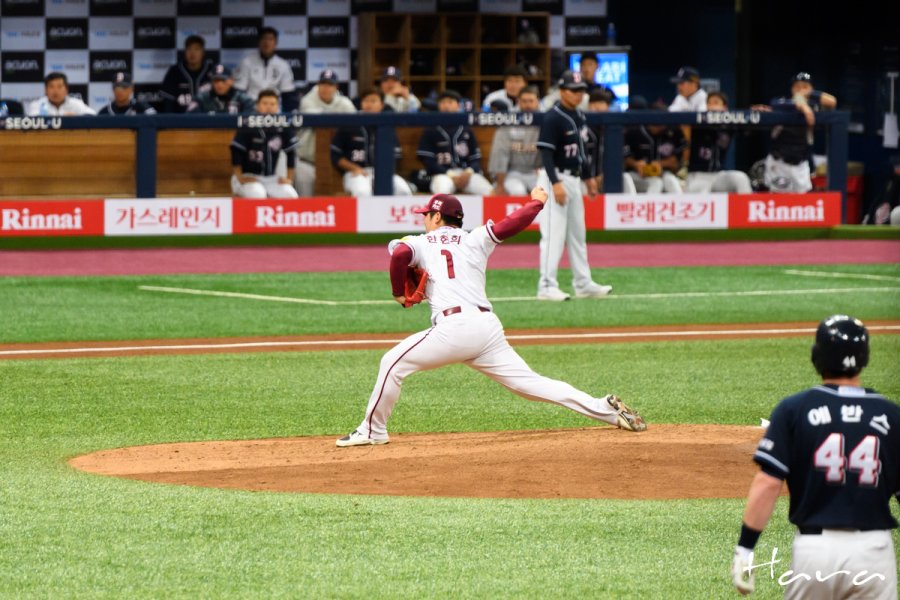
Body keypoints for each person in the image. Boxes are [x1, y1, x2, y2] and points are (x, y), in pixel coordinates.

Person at [335, 189, 647, 448]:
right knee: (532, 385)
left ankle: (373, 430)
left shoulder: (421, 241)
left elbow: (400, 255)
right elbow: (510, 224)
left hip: (454, 329)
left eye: (426, 215)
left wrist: (398, 294)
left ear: (436, 217)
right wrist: (536, 202)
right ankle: (603, 408)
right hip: (487, 330)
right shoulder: (474, 239)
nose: (425, 220)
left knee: (392, 362)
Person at [732, 315, 898, 599]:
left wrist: (745, 549)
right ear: (865, 358)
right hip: (875, 551)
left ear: (816, 357)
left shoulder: (794, 409)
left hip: (815, 553)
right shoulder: (892, 415)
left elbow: (769, 483)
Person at [535, 71, 611, 302]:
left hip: (574, 178)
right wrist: (555, 183)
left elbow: (580, 153)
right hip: (554, 177)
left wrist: (588, 178)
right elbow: (546, 154)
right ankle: (546, 286)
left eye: (581, 91)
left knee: (578, 234)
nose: (578, 95)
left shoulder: (579, 116)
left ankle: (583, 283)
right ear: (562, 91)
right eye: (574, 90)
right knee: (553, 235)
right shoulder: (553, 117)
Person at [754, 72, 837, 193]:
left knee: (801, 204)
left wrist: (808, 96)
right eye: (797, 86)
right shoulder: (782, 102)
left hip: (800, 164)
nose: (801, 90)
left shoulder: (815, 106)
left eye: (805, 86)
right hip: (779, 163)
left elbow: (832, 101)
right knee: (779, 202)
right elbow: (777, 104)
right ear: (791, 89)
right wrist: (803, 107)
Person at [330, 88, 412, 197]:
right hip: (355, 172)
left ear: (381, 105)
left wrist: (384, 172)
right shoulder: (350, 124)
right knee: (363, 192)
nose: (369, 104)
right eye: (365, 101)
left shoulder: (386, 126)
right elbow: (336, 155)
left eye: (373, 101)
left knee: (403, 190)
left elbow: (395, 156)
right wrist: (354, 168)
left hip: (381, 171)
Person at [416, 90, 493, 195]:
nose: (446, 105)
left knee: (489, 191)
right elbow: (428, 161)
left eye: (450, 102)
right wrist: (449, 173)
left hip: (465, 173)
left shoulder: (466, 129)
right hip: (442, 174)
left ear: (458, 106)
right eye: (443, 102)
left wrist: (469, 171)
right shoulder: (431, 129)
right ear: (438, 106)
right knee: (441, 192)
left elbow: (475, 158)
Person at [294, 69, 356, 197]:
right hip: (308, 162)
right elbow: (320, 120)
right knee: (306, 199)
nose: (326, 88)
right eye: (323, 84)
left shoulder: (344, 103)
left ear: (336, 87)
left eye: (330, 84)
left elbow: (355, 125)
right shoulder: (307, 100)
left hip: (337, 164)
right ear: (318, 85)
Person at [230, 89, 299, 199]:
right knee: (258, 194)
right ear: (257, 106)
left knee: (291, 195)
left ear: (278, 107)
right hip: (248, 176)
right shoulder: (247, 124)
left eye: (272, 104)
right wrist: (240, 177)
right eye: (265, 103)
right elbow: (236, 151)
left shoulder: (283, 125)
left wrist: (289, 179)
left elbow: (291, 152)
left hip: (270, 178)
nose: (268, 107)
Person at [685, 92, 752, 193]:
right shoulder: (698, 124)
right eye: (709, 103)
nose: (711, 106)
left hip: (718, 175)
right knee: (702, 192)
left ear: (724, 108)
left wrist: (753, 112)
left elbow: (746, 124)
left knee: (741, 178)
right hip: (698, 175)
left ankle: (745, 208)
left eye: (716, 103)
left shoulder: (728, 126)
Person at [624, 96, 686, 194]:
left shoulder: (673, 132)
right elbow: (624, 158)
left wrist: (660, 164)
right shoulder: (634, 132)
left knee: (671, 182)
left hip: (663, 173)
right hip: (637, 174)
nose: (657, 127)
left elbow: (676, 162)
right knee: (655, 183)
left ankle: (681, 206)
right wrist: (635, 164)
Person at [487, 85, 541, 196]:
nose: (528, 105)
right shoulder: (509, 120)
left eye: (531, 101)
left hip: (537, 172)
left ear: (537, 101)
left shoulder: (546, 119)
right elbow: (500, 153)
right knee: (517, 191)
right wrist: (500, 184)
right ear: (518, 101)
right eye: (524, 101)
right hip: (513, 172)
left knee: (545, 191)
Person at [234, 27, 297, 112]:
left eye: (270, 39)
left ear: (276, 43)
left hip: (274, 109)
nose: (267, 43)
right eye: (264, 39)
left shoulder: (283, 65)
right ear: (259, 42)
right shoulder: (247, 62)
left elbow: (288, 93)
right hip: (251, 109)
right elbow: (240, 91)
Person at [160, 35, 213, 113]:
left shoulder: (211, 70)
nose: (192, 53)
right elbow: (168, 101)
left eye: (197, 49)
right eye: (189, 49)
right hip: (181, 121)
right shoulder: (175, 71)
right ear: (185, 52)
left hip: (209, 120)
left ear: (203, 52)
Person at [188, 64, 255, 115]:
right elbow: (189, 120)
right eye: (216, 81)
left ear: (231, 80)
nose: (219, 84)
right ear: (211, 82)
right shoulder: (201, 99)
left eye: (223, 80)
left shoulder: (244, 99)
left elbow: (249, 124)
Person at [26, 72, 95, 116]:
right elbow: (32, 120)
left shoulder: (75, 103)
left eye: (59, 87)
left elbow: (92, 115)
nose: (55, 91)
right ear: (45, 90)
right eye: (51, 87)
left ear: (66, 90)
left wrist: (77, 118)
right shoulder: (37, 105)